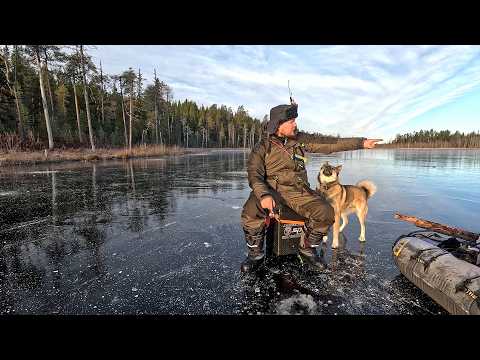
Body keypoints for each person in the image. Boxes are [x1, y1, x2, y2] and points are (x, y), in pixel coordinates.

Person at [240, 102, 381, 273]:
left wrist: (361, 143)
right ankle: (255, 254)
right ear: (279, 124)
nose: (295, 124)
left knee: (326, 212)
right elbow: (254, 174)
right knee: (251, 209)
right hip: (271, 190)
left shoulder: (300, 140)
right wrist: (263, 195)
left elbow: (330, 144)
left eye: (294, 120)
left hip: (298, 191)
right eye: (291, 121)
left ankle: (307, 248)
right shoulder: (262, 147)